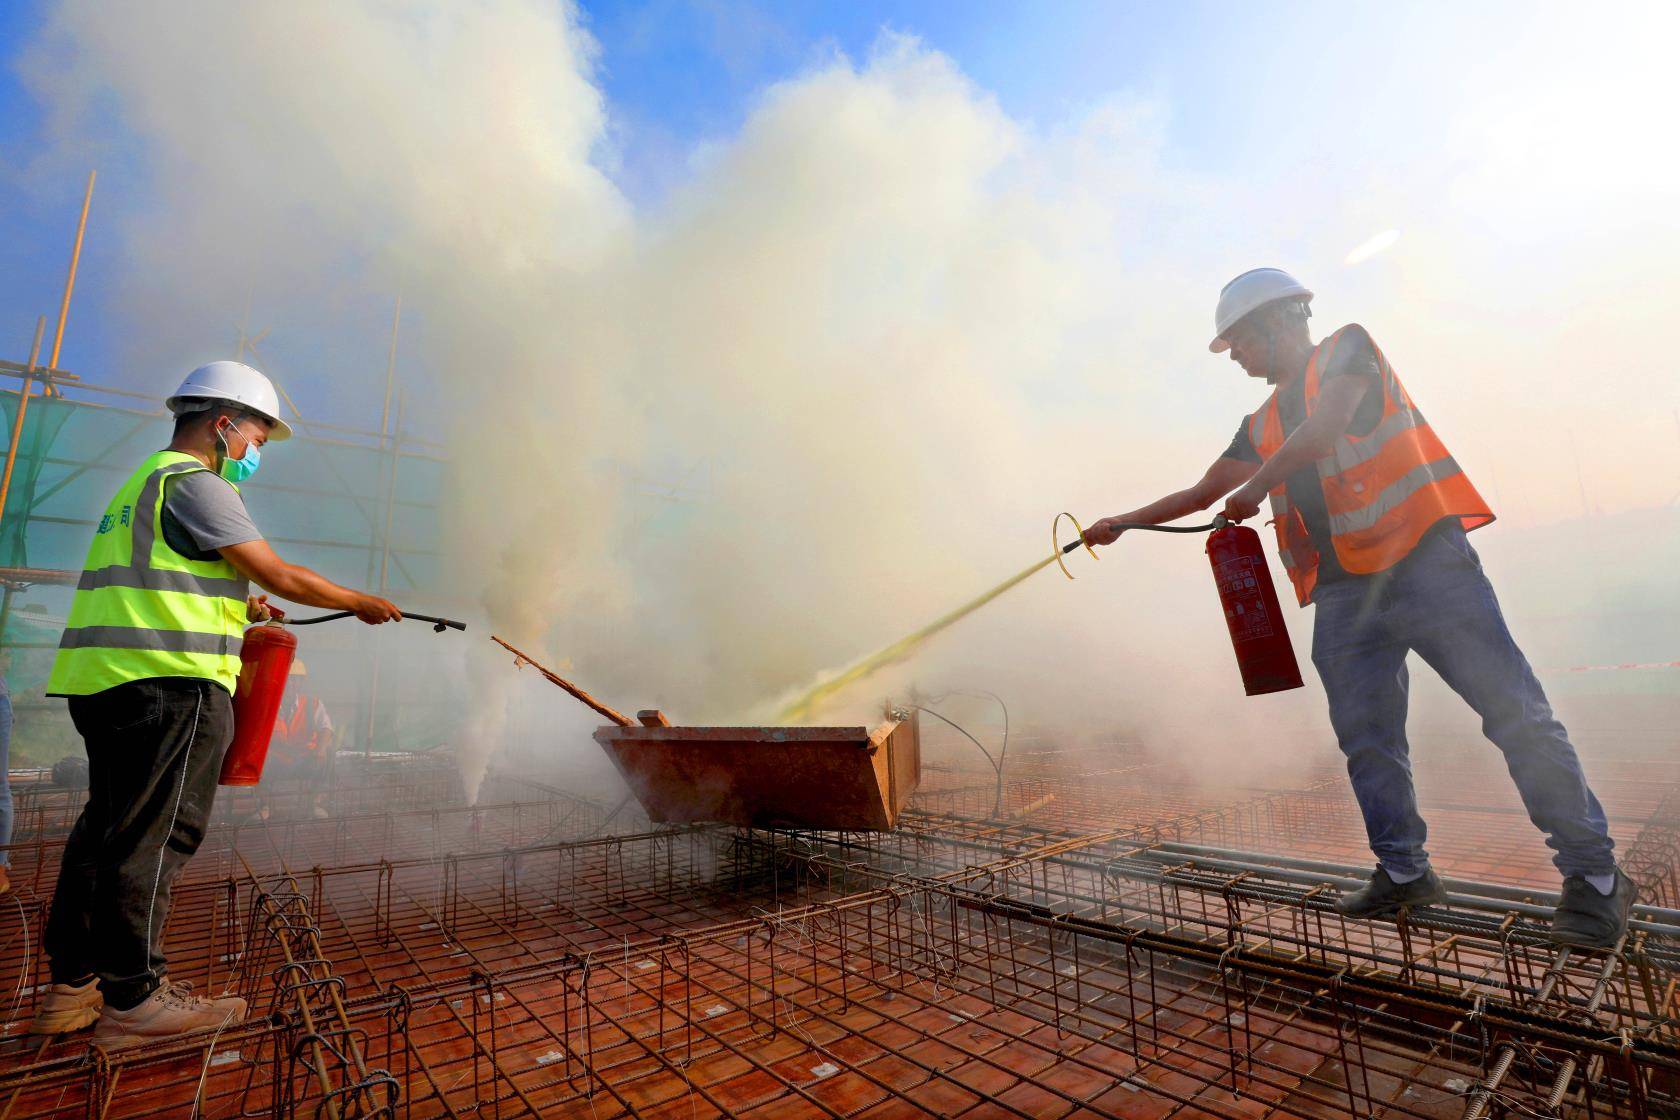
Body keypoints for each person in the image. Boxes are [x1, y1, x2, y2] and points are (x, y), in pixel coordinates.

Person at [1083, 269, 1634, 949]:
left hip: (1426, 564)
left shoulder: (1347, 348)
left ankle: (1596, 878)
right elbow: (1204, 492)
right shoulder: (1260, 423)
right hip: (1346, 592)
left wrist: (1257, 486)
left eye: (1240, 344)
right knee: (1367, 740)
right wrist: (1122, 522)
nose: (1238, 360)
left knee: (1514, 712)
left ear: (1279, 322)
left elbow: (1328, 427)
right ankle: (1405, 872)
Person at [27, 360, 402, 1044]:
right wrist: (358, 601)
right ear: (221, 423)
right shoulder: (197, 484)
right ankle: (135, 1002)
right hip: (170, 686)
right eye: (257, 436)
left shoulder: (145, 480)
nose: (256, 451)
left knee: (104, 834)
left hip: (106, 680)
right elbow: (279, 571)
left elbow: (168, 575)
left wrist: (240, 602)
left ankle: (73, 986)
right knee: (156, 838)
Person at [259, 659, 334, 820]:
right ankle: (264, 806)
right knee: (259, 758)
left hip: (305, 759)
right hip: (277, 760)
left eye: (295, 679)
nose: (290, 683)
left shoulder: (312, 704)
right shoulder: (267, 704)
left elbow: (326, 728)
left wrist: (319, 750)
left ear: (301, 682)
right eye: (287, 679)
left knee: (327, 753)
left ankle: (315, 803)